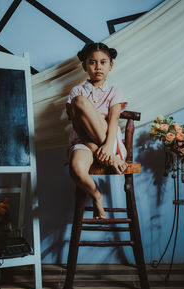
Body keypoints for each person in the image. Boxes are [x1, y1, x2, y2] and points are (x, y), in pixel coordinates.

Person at [66, 42, 127, 219]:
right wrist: (96, 148)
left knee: (81, 102)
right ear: (84, 66)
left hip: (108, 140)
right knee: (76, 168)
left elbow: (114, 120)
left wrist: (108, 147)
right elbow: (77, 125)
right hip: (84, 141)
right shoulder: (77, 91)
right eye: (92, 62)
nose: (98, 67)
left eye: (103, 62)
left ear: (111, 65)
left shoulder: (115, 90)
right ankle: (97, 196)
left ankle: (109, 155)